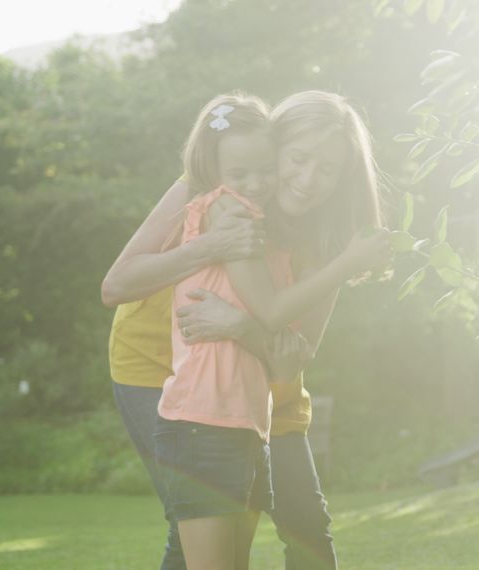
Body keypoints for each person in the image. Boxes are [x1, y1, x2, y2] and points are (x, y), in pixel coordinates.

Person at [103, 90, 389, 570]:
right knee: (200, 517)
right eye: (297, 158)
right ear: (271, 147)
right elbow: (116, 285)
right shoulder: (212, 189)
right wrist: (210, 246)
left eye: (328, 168)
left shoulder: (328, 242)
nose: (307, 179)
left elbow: (299, 351)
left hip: (260, 381)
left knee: (293, 526)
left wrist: (237, 326)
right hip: (156, 365)